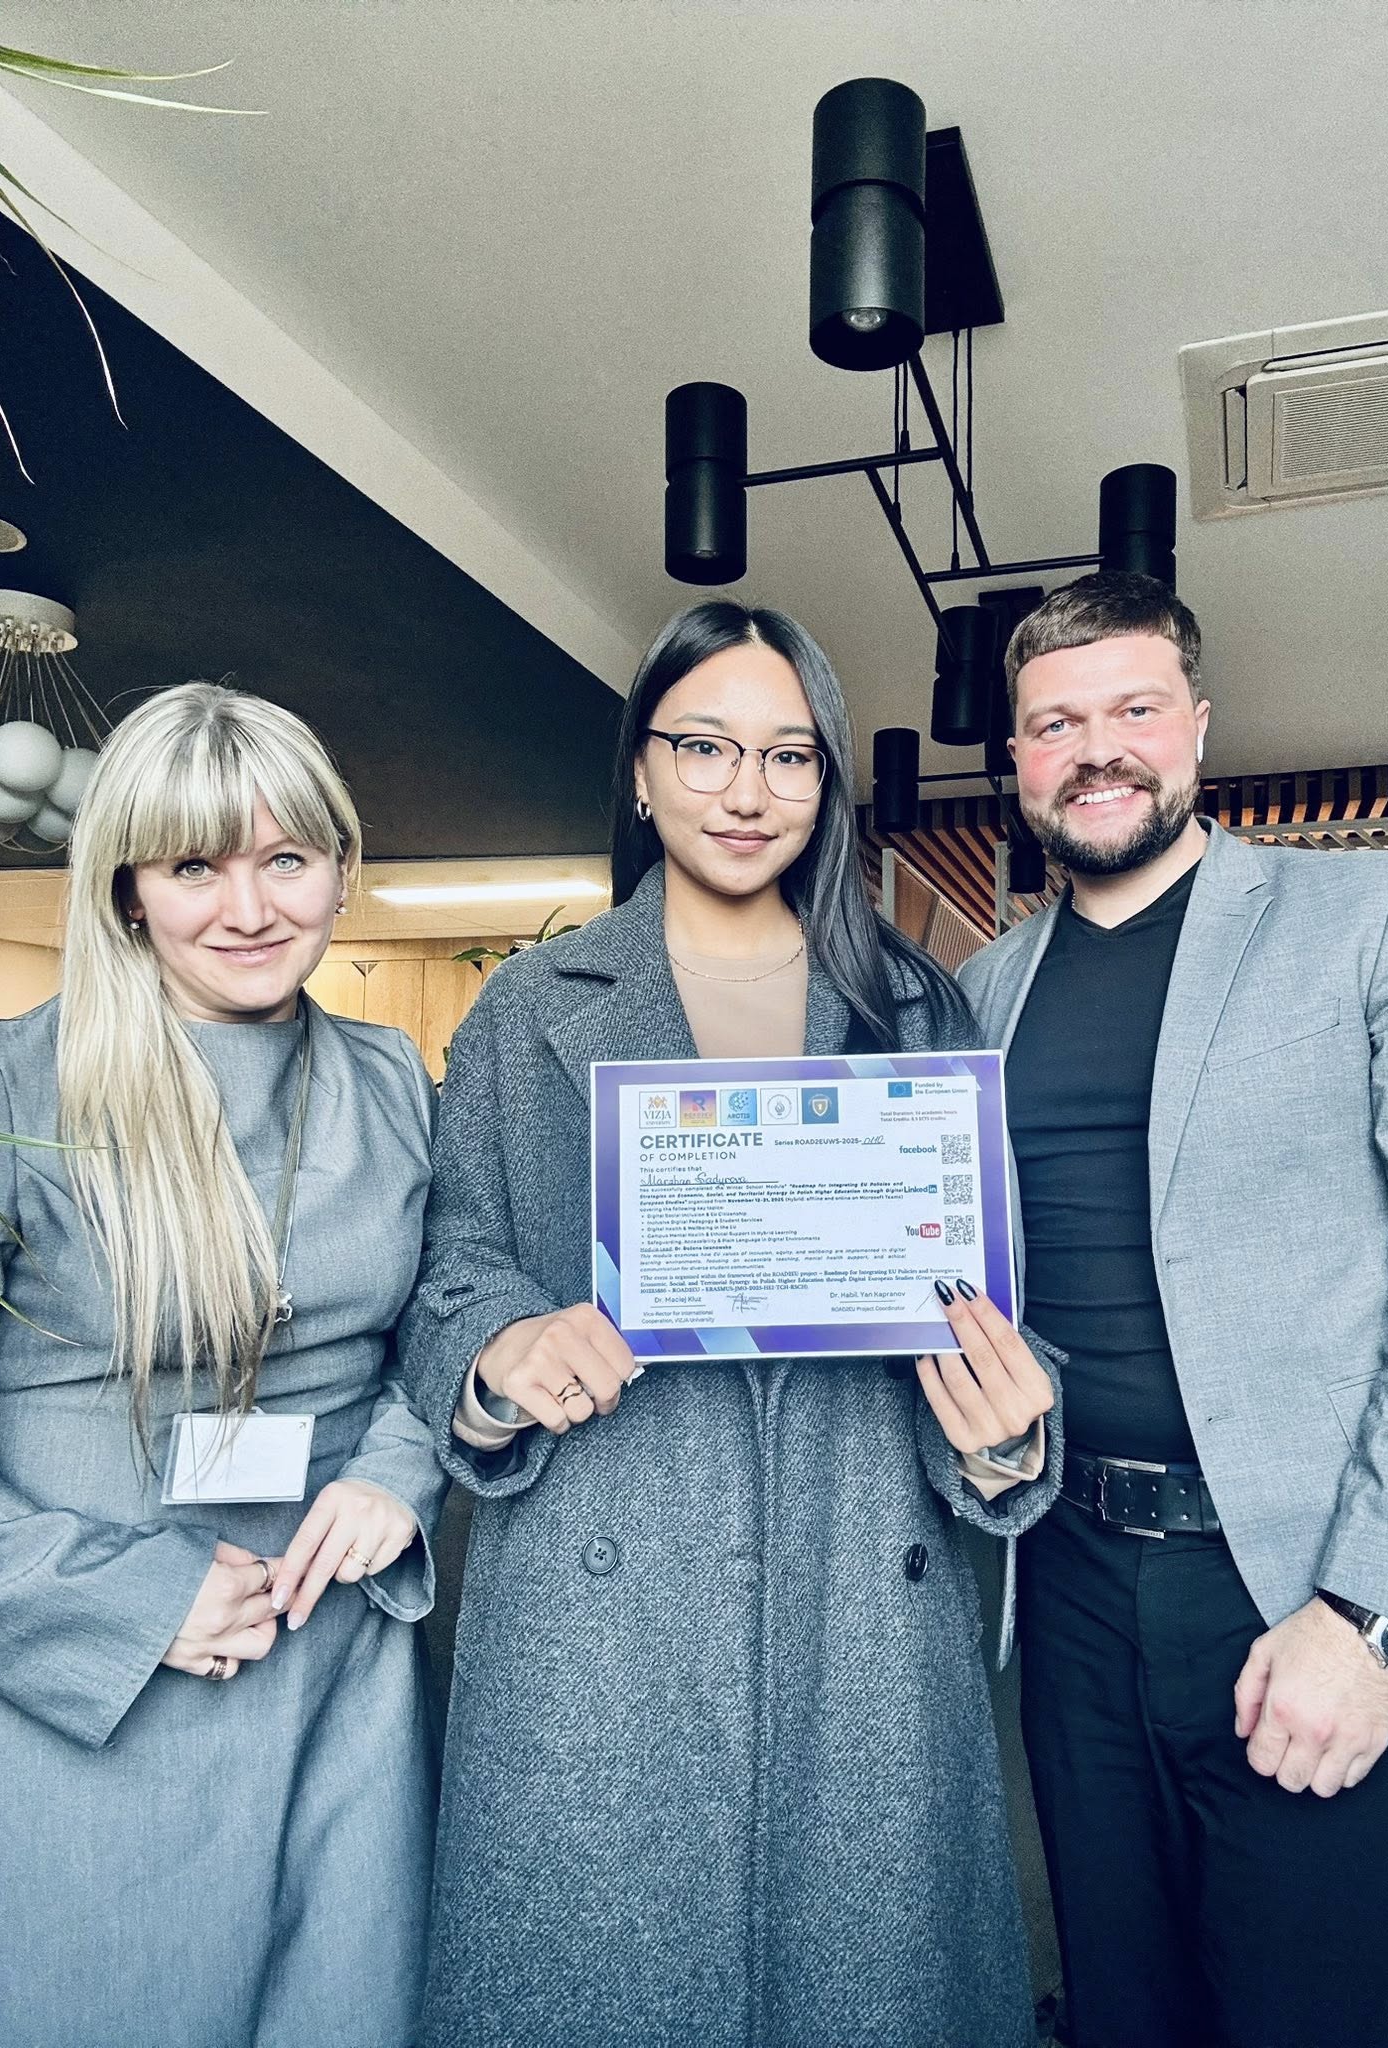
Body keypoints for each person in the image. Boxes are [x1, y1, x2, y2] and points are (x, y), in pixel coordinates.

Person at [400, 600, 1059, 2048]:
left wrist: (1008, 1435)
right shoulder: (527, 1005)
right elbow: (451, 1269)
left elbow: (992, 1302)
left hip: (860, 1622)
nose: (746, 790)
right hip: (597, 1629)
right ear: (641, 772)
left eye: (789, 755)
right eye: (704, 746)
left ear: (827, 783)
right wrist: (500, 1354)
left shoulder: (915, 1005)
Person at [957, 570, 1388, 2048]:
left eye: (1134, 709)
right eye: (1055, 723)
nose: (1098, 749)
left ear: (1199, 728)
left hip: (1315, 1589)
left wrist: (1372, 1618)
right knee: (1123, 2014)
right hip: (1071, 1587)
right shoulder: (978, 992)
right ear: (1016, 759)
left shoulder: (1382, 911)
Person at [0, 682, 447, 2048]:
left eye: (286, 859)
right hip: (86, 1677)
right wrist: (124, 1604)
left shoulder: (393, 1081)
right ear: (127, 888)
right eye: (195, 866)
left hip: (339, 1666)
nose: (249, 909)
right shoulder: (17, 1090)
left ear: (342, 868)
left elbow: (445, 1323)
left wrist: (398, 1470)